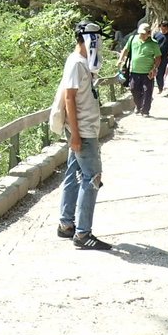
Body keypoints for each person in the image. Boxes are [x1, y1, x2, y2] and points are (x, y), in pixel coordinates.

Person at [56, 21, 112, 250]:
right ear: (91, 40)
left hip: (84, 130)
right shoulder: (77, 63)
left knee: (73, 174)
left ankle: (66, 224)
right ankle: (83, 233)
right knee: (92, 178)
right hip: (84, 132)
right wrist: (76, 135)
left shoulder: (82, 63)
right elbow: (69, 97)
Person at [117, 23, 162, 116]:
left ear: (149, 33)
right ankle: (138, 106)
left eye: (144, 33)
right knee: (134, 89)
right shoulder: (132, 39)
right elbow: (125, 50)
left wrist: (154, 69)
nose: (141, 35)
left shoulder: (154, 43)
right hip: (134, 71)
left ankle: (145, 111)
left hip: (147, 72)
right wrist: (120, 60)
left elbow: (158, 57)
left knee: (147, 91)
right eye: (140, 33)